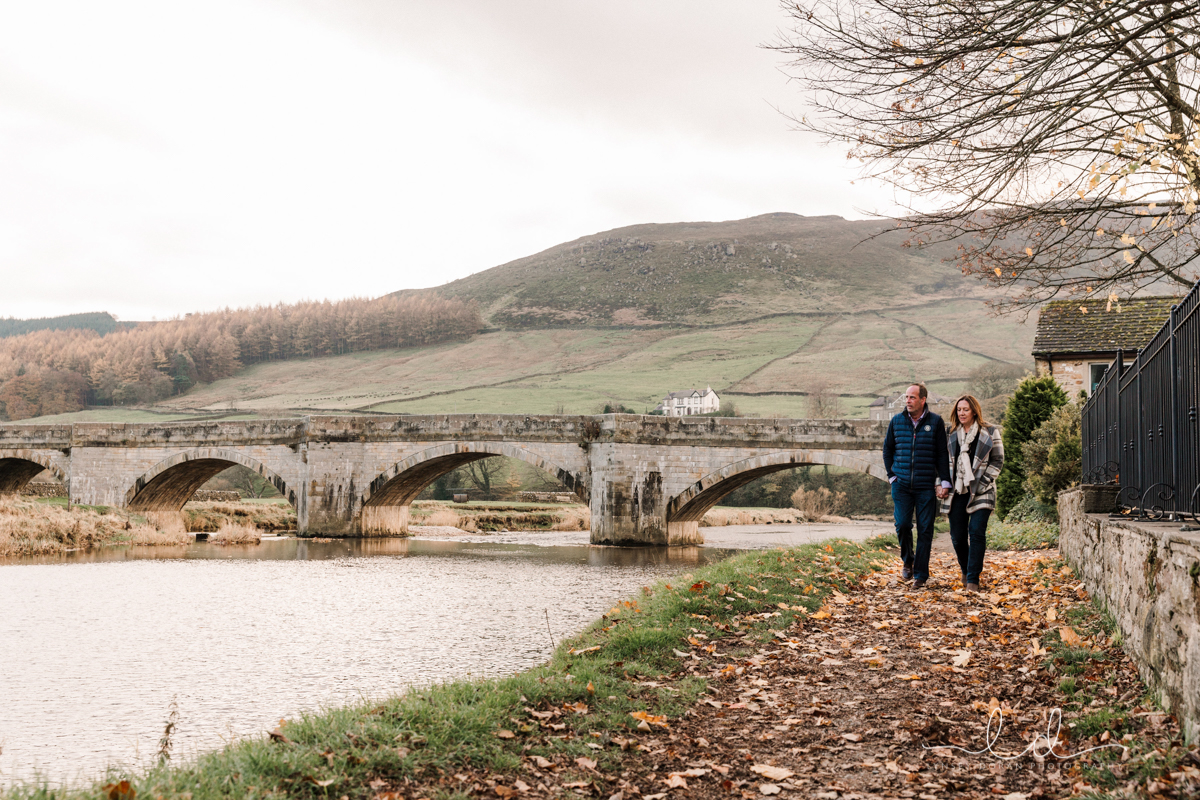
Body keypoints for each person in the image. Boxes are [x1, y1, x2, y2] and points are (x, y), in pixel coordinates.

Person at [882, 383, 951, 588]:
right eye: (906, 397)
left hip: (925, 486)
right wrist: (892, 477)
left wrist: (944, 481)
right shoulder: (896, 421)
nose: (908, 401)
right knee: (902, 525)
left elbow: (941, 454)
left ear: (923, 400)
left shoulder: (936, 422)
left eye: (912, 397)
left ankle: (921, 574)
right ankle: (908, 561)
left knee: (925, 530)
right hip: (901, 485)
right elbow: (887, 451)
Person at [940, 394, 1005, 592]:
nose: (961, 413)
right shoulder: (949, 433)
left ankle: (973, 580)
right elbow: (941, 462)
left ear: (974, 411)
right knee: (957, 536)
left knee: (976, 533)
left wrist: (984, 481)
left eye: (965, 410)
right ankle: (966, 569)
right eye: (959, 410)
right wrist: (939, 483)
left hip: (982, 490)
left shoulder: (990, 432)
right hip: (957, 490)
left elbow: (998, 460)